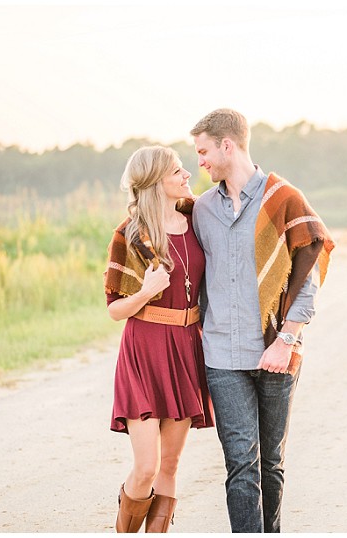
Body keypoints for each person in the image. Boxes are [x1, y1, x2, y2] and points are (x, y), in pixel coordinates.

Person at [190, 109, 335, 532]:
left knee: (270, 463)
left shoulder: (284, 199)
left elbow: (306, 273)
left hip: (277, 351)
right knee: (240, 464)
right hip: (222, 356)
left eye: (203, 151)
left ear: (227, 145)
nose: (200, 161)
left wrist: (285, 339)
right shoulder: (200, 210)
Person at [103, 145, 213, 533]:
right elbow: (115, 309)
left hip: (185, 347)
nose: (187, 176)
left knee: (169, 465)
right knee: (146, 466)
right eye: (177, 172)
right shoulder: (130, 233)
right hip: (144, 349)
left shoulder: (198, 218)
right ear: (154, 182)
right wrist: (146, 292)